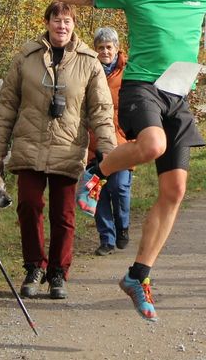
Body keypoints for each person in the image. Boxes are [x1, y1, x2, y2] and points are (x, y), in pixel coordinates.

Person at [0, 0, 206, 321]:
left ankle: (138, 275)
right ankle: (97, 172)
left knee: (176, 189)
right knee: (152, 145)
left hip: (178, 95)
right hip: (141, 87)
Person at [0, 3, 117, 300]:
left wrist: (107, 150)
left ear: (74, 25)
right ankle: (34, 266)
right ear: (46, 22)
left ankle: (58, 273)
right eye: (56, 20)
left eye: (67, 21)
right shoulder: (26, 56)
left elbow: (100, 109)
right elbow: (7, 102)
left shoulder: (89, 61)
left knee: (64, 214)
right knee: (29, 206)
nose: (61, 26)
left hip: (68, 146)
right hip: (29, 143)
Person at [90, 27, 132, 256]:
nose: (105, 51)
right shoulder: (89, 70)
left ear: (116, 48)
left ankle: (122, 226)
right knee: (99, 192)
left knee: (120, 187)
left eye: (109, 47)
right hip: (93, 141)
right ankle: (106, 238)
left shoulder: (127, 72)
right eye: (101, 48)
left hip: (121, 139)